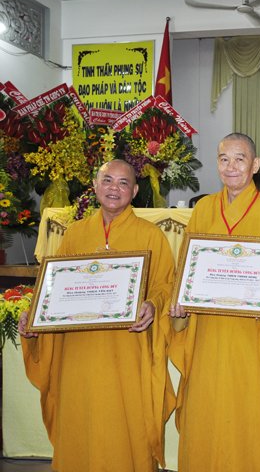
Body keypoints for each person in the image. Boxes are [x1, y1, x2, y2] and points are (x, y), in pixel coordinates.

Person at [18, 160, 175, 472]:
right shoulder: (75, 233)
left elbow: (165, 284)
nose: (114, 188)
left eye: (123, 183)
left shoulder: (150, 235)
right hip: (79, 351)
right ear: (95, 186)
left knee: (125, 423)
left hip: (126, 350)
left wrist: (153, 304)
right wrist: (35, 317)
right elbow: (53, 287)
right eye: (107, 180)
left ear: (135, 191)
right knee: (81, 419)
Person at [168, 133, 260, 472]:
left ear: (255, 165)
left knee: (251, 421)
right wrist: (181, 310)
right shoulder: (203, 209)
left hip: (254, 338)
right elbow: (186, 270)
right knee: (207, 415)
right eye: (224, 159)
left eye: (240, 159)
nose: (231, 166)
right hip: (207, 336)